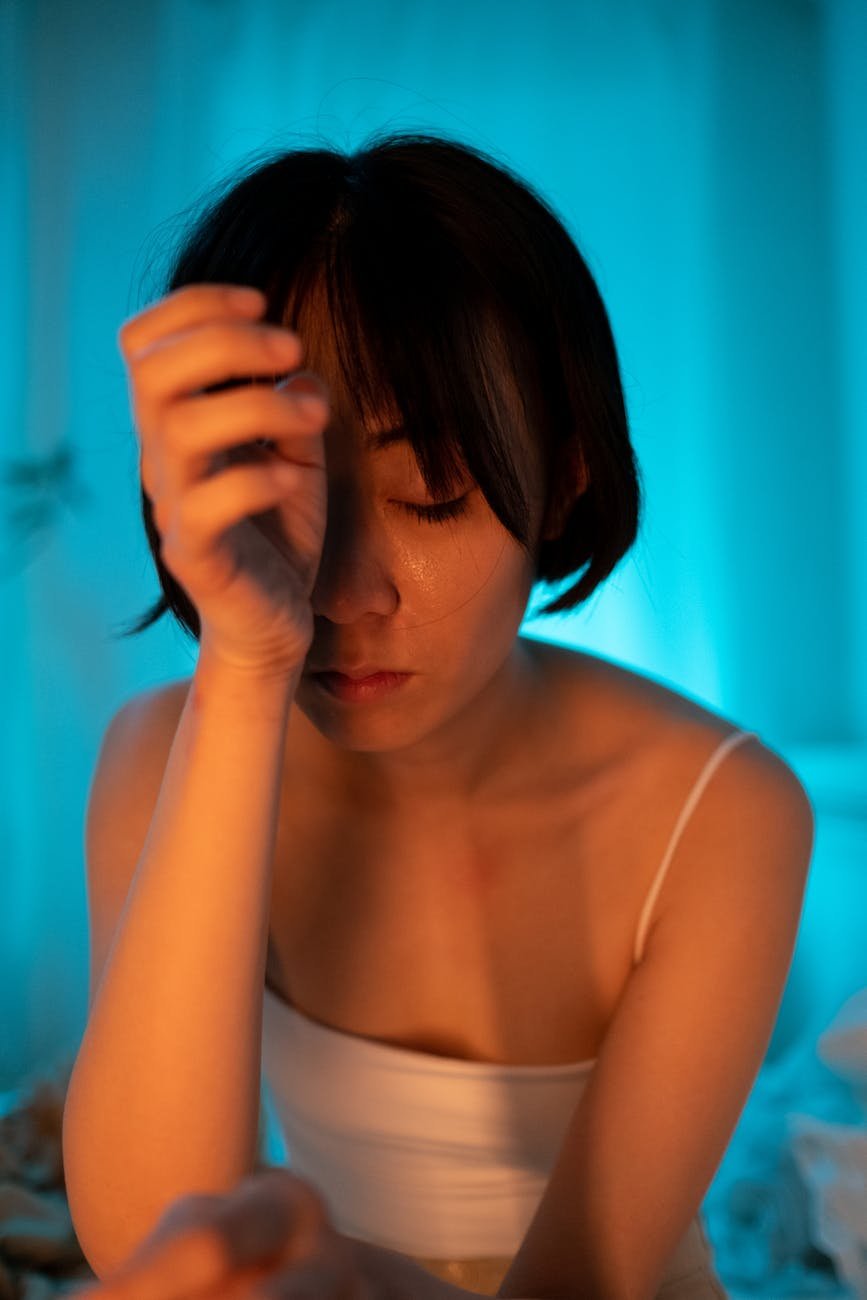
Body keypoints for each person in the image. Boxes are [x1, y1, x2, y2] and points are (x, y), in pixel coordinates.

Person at [61, 130, 815, 1300]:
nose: (348, 596)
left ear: (563, 475)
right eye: (287, 488)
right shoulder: (166, 753)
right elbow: (155, 1242)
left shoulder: (721, 812)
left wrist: (332, 1279)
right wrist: (250, 670)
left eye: (433, 496)